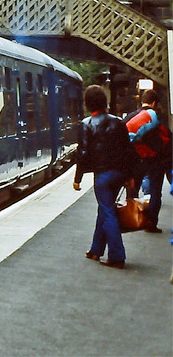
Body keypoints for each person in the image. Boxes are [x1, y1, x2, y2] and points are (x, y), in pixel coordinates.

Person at [73, 85, 132, 269]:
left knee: (108, 212)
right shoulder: (118, 122)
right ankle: (96, 249)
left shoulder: (86, 124)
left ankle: (117, 256)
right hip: (119, 174)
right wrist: (129, 176)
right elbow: (128, 151)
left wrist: (78, 178)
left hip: (103, 176)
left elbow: (82, 153)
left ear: (88, 104)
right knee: (104, 210)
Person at [124, 89, 170, 233]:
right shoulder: (157, 117)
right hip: (156, 160)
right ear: (155, 103)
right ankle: (151, 223)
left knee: (133, 189)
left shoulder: (131, 117)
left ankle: (132, 217)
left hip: (136, 160)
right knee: (156, 191)